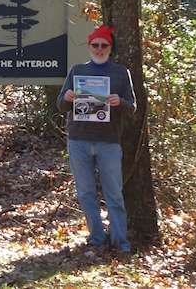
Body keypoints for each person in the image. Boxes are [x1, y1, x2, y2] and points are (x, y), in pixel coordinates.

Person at [56, 24, 136, 253]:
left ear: (110, 48)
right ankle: (97, 237)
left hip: (109, 142)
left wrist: (119, 102)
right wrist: (68, 97)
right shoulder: (77, 70)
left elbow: (133, 108)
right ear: (89, 46)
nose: (99, 49)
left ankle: (120, 241)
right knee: (86, 193)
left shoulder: (121, 73)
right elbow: (61, 104)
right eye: (95, 45)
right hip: (79, 140)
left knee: (114, 194)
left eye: (104, 45)